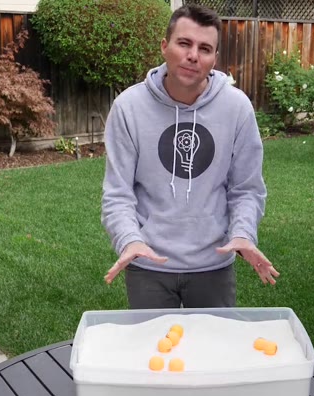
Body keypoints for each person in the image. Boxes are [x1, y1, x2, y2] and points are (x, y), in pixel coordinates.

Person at [100, 4, 279, 309]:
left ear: (215, 59)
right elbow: (118, 193)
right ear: (164, 46)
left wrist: (243, 233)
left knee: (214, 341)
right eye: (184, 43)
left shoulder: (236, 108)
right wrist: (130, 240)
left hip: (214, 264)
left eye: (204, 48)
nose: (193, 55)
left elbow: (247, 189)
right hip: (147, 263)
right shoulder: (128, 107)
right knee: (154, 341)